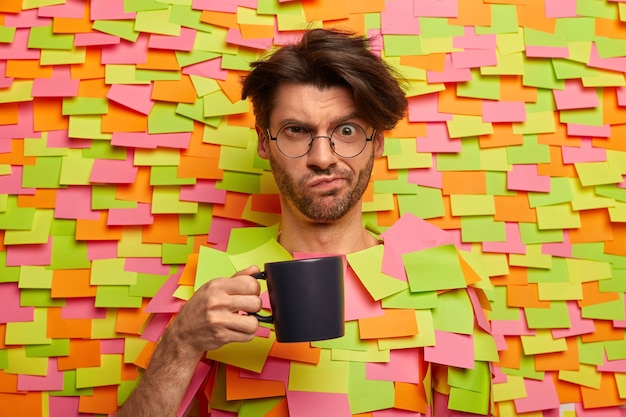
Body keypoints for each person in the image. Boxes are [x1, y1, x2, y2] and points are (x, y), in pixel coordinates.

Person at [117, 28, 494, 417]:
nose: (323, 158)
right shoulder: (208, 286)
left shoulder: (444, 286)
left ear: (377, 142)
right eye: (297, 130)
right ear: (265, 142)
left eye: (346, 131)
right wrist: (181, 342)